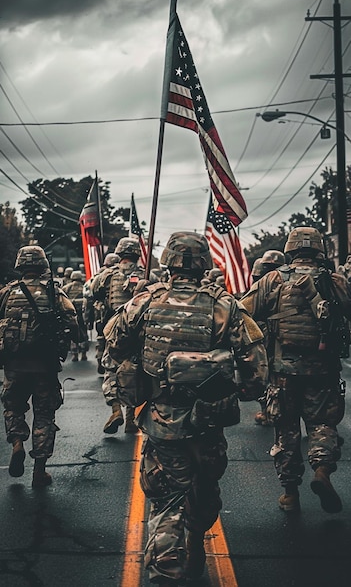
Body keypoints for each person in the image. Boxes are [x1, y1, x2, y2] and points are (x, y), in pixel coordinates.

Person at [103, 231, 267, 587]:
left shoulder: (145, 302)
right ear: (205, 262)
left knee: (166, 501)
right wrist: (246, 389)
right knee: (205, 487)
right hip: (209, 419)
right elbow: (255, 364)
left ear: (168, 262)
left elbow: (113, 343)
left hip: (163, 420)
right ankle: (196, 540)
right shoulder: (224, 306)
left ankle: (166, 572)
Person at [241, 227, 351, 514]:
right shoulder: (334, 280)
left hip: (283, 372)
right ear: (319, 249)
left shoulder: (273, 279)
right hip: (324, 369)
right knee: (322, 425)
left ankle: (290, 493)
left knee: (286, 430)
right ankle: (322, 472)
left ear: (290, 248)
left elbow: (243, 313)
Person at [0, 245, 78, 488]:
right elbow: (72, 322)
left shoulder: (6, 293)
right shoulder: (55, 292)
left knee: (13, 407)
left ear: (20, 266)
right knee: (44, 414)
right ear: (44, 265)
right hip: (44, 365)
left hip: (13, 363)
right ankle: (39, 471)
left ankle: (17, 444)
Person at [92, 237, 145, 434]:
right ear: (137, 254)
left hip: (115, 330)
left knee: (111, 370)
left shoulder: (107, 276)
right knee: (136, 372)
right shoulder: (147, 275)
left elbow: (93, 292)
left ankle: (116, 410)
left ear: (120, 253)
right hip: (139, 333)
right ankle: (131, 418)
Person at [251, 250, 286, 427]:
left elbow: (246, 310)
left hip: (267, 339)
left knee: (267, 376)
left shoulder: (263, 284)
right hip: (288, 343)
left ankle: (269, 411)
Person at [62, 270, 89, 361]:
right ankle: (84, 353)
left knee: (73, 333)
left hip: (72, 314)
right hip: (82, 313)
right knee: (84, 332)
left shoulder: (67, 288)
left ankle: (75, 354)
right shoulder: (85, 287)